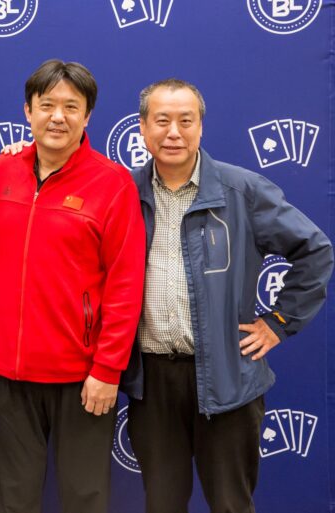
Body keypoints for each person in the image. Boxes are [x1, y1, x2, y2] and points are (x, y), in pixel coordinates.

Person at [123, 79, 334, 513]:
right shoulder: (123, 194)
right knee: (161, 505)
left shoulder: (241, 190)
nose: (174, 132)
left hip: (228, 379)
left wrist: (279, 322)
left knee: (231, 505)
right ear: (143, 129)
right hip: (153, 383)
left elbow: (315, 251)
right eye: (161, 121)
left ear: (201, 127)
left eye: (186, 120)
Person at [0, 59, 145, 513]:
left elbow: (126, 283)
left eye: (71, 106)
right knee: (12, 498)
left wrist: (107, 369)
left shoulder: (112, 183)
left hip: (83, 376)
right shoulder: (1, 171)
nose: (58, 116)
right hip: (8, 373)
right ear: (27, 111)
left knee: (84, 497)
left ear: (88, 116)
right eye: (47, 105)